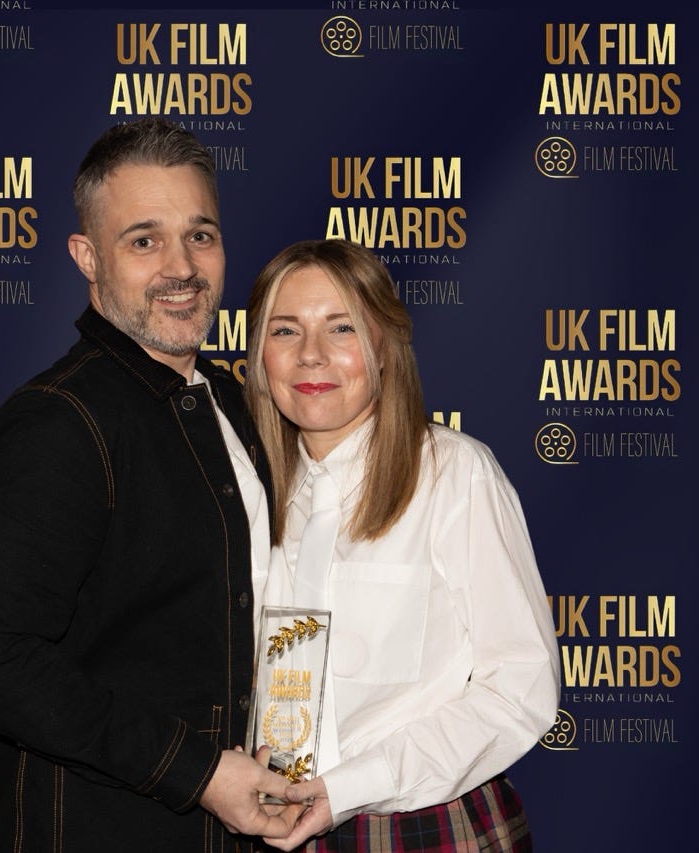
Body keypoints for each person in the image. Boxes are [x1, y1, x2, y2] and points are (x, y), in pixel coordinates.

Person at [0, 118, 295, 852]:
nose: (181, 267)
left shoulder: (234, 403)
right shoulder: (60, 420)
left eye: (200, 235)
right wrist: (198, 772)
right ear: (87, 256)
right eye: (143, 240)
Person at [243, 239, 561, 851]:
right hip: (271, 823)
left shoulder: (455, 474)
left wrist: (355, 784)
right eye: (285, 331)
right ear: (259, 357)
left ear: (385, 347)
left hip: (423, 825)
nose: (311, 354)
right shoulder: (246, 492)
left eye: (341, 327)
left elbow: (520, 687)